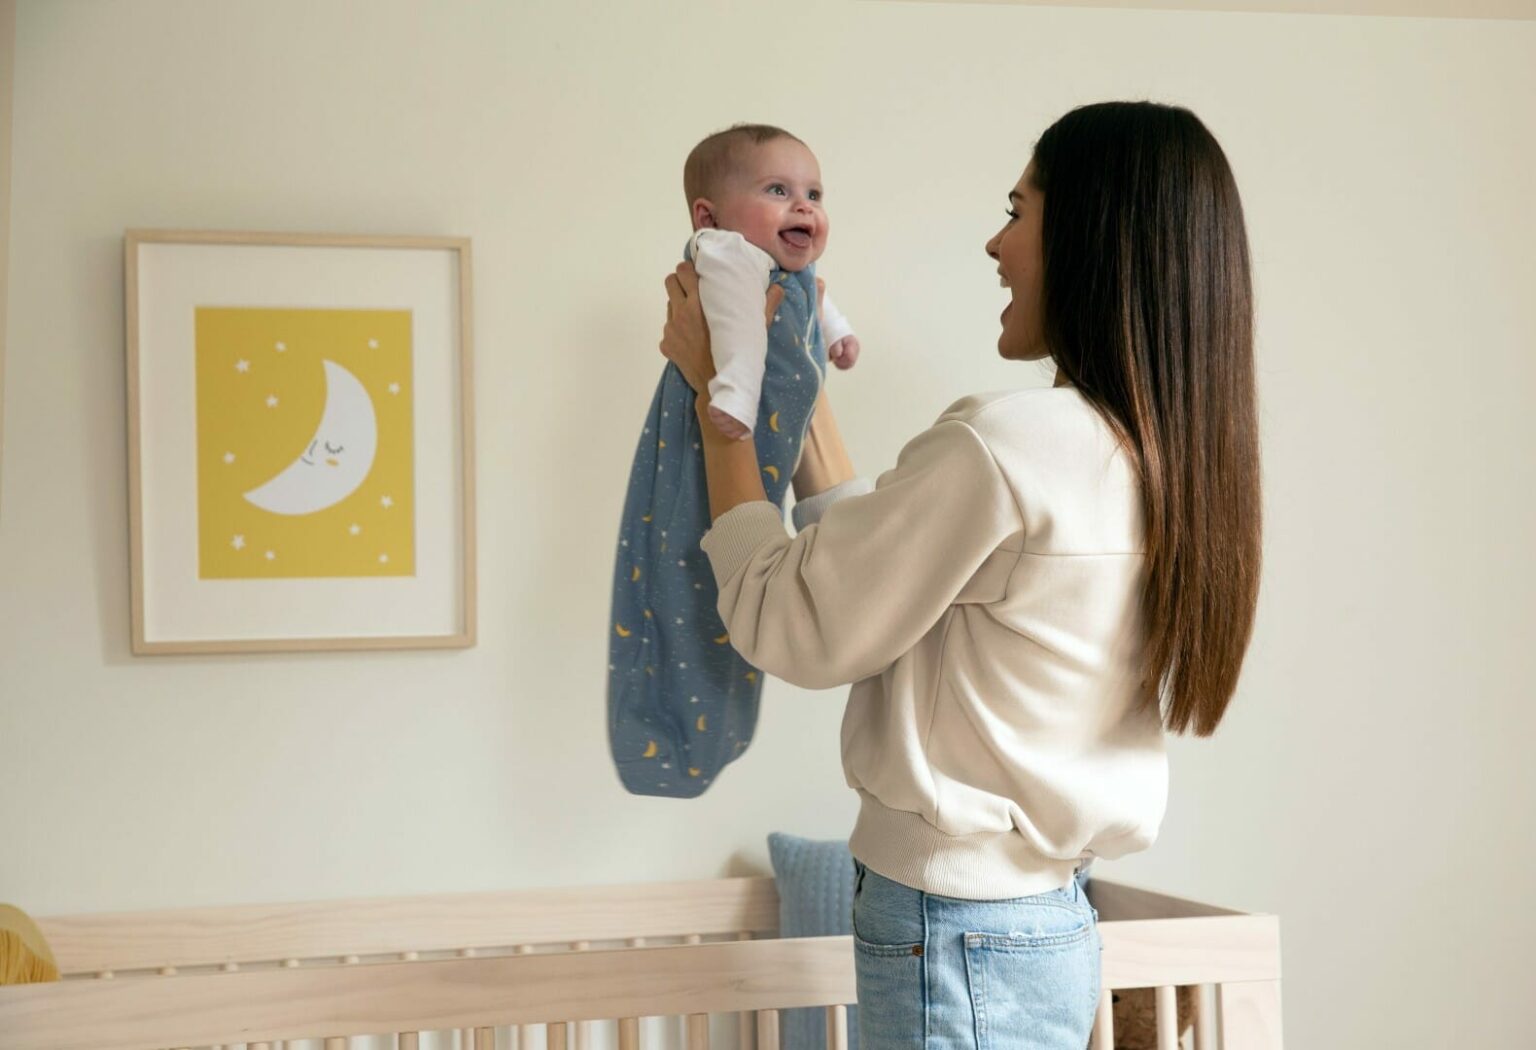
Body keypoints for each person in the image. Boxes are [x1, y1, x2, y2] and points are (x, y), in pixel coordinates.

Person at [659, 101, 1262, 1048]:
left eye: (1019, 213)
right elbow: (873, 583)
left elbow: (793, 619)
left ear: (1090, 241)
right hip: (1047, 921)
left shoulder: (1007, 444)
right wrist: (791, 375)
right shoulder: (1162, 463)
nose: (995, 242)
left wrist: (716, 400)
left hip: (957, 929)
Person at [607, 124, 858, 798]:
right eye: (777, 190)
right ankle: (666, 739)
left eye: (813, 194)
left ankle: (700, 733)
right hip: (724, 431)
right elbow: (740, 343)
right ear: (708, 217)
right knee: (686, 572)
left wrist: (837, 335)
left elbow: (820, 304)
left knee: (726, 593)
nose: (803, 206)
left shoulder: (787, 276)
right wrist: (726, 393)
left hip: (762, 458)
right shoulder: (727, 258)